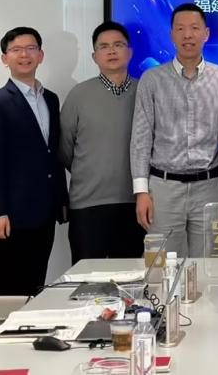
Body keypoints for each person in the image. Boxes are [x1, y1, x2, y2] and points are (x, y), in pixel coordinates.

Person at [130, 3, 218, 257]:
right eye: (180, 29)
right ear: (172, 35)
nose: (188, 35)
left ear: (206, 34)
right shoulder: (152, 79)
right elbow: (141, 139)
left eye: (194, 28)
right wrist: (141, 191)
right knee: (161, 264)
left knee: (207, 263)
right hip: (163, 189)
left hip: (209, 188)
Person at [0, 26, 68, 295]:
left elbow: (51, 154)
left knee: (35, 283)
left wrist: (61, 200)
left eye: (31, 49)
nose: (24, 55)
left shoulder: (50, 99)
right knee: (7, 286)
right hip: (13, 215)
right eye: (16, 50)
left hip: (44, 211)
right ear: (4, 58)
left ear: (41, 56)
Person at [59, 21, 145, 262]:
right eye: (104, 46)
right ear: (94, 56)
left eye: (118, 45)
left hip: (134, 202)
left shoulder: (145, 90)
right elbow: (65, 149)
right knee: (87, 276)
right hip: (88, 204)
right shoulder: (78, 95)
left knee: (130, 274)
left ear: (130, 52)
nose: (112, 51)